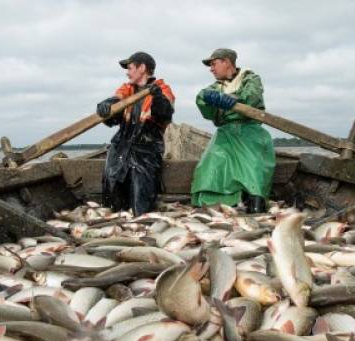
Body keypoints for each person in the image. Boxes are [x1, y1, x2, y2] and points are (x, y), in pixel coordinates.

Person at [191, 48, 275, 213]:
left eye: (214, 64)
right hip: (225, 133)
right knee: (211, 164)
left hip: (250, 131)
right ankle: (216, 204)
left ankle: (255, 201)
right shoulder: (216, 87)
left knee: (252, 165)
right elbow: (203, 100)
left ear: (226, 62)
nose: (211, 69)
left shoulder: (250, 79)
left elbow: (251, 98)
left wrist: (232, 100)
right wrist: (205, 98)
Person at [95, 51, 175, 216]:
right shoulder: (127, 90)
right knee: (113, 191)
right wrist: (106, 106)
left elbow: (165, 114)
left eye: (130, 68)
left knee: (141, 197)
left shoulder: (163, 89)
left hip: (146, 148)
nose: (127, 72)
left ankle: (140, 219)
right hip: (121, 147)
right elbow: (114, 116)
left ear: (142, 68)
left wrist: (158, 97)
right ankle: (115, 215)